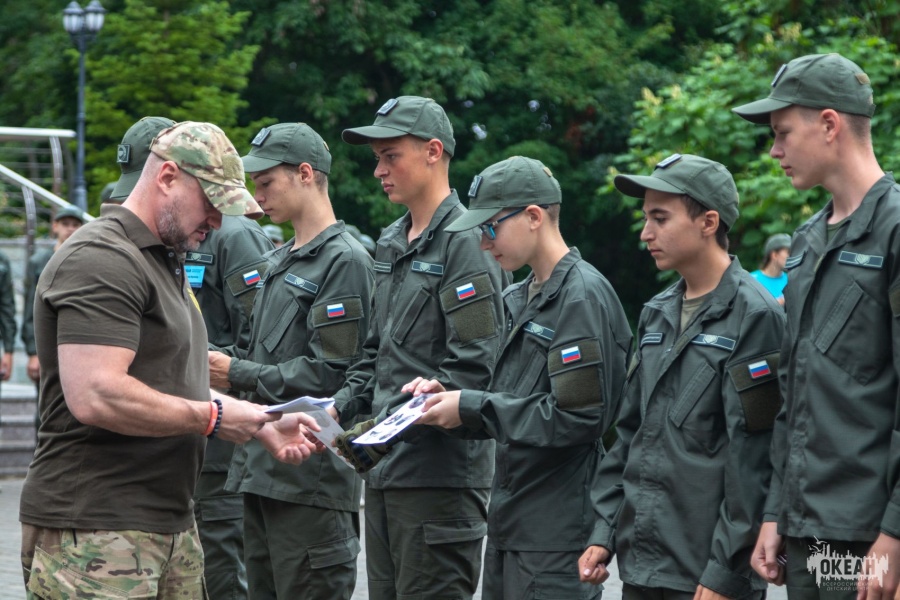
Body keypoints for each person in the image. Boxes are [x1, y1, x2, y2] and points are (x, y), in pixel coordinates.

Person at [19, 121, 322, 599]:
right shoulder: (102, 257)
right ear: (166, 177)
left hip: (168, 523)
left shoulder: (161, 258)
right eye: (211, 203)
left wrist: (258, 422)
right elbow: (97, 393)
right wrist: (215, 417)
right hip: (97, 527)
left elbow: (168, 379)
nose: (217, 222)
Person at [402, 156, 633, 599]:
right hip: (511, 524)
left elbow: (578, 418)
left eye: (490, 227)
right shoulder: (517, 297)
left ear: (533, 217)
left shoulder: (581, 298)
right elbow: (510, 402)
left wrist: (473, 405)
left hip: (555, 536)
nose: (483, 244)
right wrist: (451, 401)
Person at [578, 153, 785, 600]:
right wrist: (604, 530)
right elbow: (631, 434)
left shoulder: (755, 316)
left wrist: (725, 571)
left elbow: (756, 459)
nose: (645, 233)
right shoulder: (657, 313)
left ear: (708, 222)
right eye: (646, 218)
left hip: (705, 574)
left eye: (660, 218)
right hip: (642, 568)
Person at [734, 53, 900, 599]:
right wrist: (775, 511)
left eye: (782, 133)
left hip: (871, 537)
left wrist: (894, 534)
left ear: (829, 124)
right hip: (807, 532)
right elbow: (793, 394)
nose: (774, 150)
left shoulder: (895, 231)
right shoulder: (805, 244)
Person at [330, 96, 507, 600]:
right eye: (376, 159)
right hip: (386, 471)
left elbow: (476, 365)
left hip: (439, 479)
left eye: (391, 156)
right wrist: (337, 408)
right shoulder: (392, 240)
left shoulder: (467, 242)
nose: (379, 171)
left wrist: (389, 425)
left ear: (433, 152)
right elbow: (376, 352)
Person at [107, 114, 274, 600]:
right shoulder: (145, 242)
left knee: (221, 575)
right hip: (170, 440)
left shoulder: (234, 237)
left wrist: (215, 377)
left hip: (218, 444)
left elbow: (260, 336)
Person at [208, 122, 375, 600]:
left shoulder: (345, 260)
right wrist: (208, 359)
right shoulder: (282, 258)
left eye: (266, 182)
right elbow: (259, 352)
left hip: (310, 479)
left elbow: (334, 374)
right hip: (262, 471)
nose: (257, 197)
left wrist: (234, 371)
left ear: (305, 174)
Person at [21, 206, 86, 387]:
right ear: (55, 226)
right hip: (47, 342)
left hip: (78, 342)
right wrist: (33, 352)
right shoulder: (38, 261)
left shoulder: (87, 259)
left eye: (75, 224)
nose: (70, 229)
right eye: (65, 224)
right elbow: (30, 308)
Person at [750, 233, 791, 305]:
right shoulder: (751, 280)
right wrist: (779, 302)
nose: (791, 256)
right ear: (774, 255)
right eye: (788, 252)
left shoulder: (791, 281)